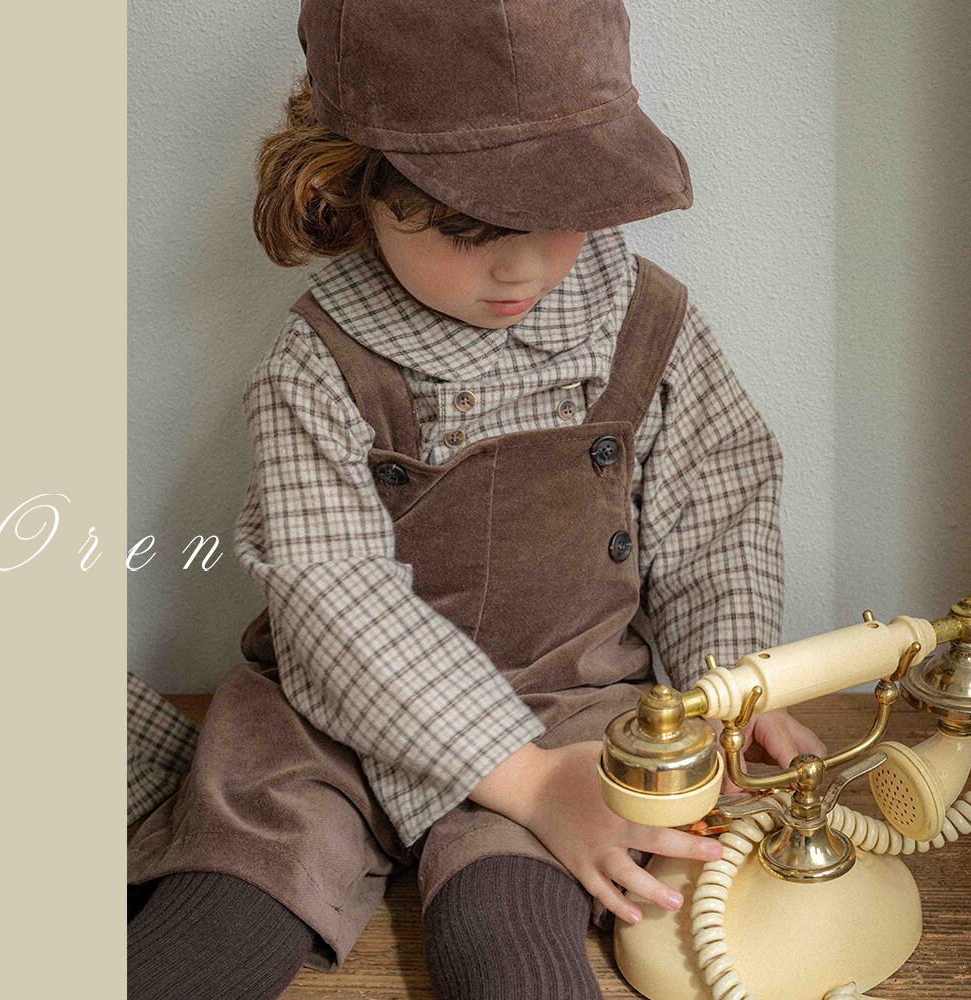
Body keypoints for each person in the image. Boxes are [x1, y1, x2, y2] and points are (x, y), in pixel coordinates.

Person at [127, 2, 828, 998]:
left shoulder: (643, 324)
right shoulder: (316, 366)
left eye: (562, 215)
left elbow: (718, 514)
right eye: (467, 226)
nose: (522, 266)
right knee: (216, 918)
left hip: (567, 716)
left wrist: (739, 688)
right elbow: (334, 600)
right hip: (326, 724)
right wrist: (519, 777)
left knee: (510, 936)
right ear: (353, 184)